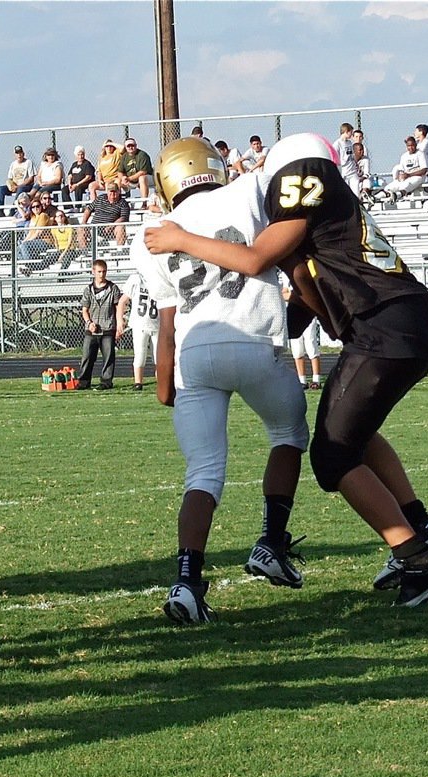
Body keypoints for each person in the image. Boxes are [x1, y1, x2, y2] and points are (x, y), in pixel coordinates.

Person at [144, 132, 428, 608]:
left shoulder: (304, 183)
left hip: (385, 326)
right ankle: (419, 527)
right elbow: (306, 290)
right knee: (351, 431)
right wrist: (271, 322)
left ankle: (417, 557)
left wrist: (181, 238)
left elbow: (253, 259)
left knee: (332, 456)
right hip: (395, 322)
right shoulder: (319, 220)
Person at [133, 138, 309, 624]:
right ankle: (272, 541)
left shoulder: (153, 230)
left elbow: (166, 322)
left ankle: (187, 582)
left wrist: (163, 383)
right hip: (255, 336)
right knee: (289, 435)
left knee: (204, 474)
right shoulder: (250, 189)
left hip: (195, 352)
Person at [78, 258, 123, 390]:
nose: (101, 274)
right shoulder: (88, 289)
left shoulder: (113, 288)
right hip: (92, 329)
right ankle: (84, 381)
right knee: (87, 356)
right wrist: (89, 323)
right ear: (93, 272)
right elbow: (84, 310)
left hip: (107, 327)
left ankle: (106, 381)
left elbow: (117, 307)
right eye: (99, 272)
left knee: (108, 357)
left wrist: (119, 323)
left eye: (104, 272)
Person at [116, 269, 159, 391]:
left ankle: (161, 382)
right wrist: (120, 320)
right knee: (140, 355)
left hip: (157, 323)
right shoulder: (136, 279)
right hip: (140, 323)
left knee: (159, 357)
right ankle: (138, 383)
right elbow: (122, 301)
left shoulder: (160, 277)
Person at [281, 274, 321, 389]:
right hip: (293, 310)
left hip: (306, 310)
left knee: (311, 343)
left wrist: (290, 296)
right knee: (297, 348)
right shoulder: (284, 275)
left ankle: (316, 379)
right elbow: (285, 292)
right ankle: (302, 379)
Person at [79, 181, 131, 249]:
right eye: (111, 191)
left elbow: (123, 218)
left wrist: (111, 226)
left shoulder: (123, 203)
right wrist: (84, 222)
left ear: (118, 191)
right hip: (94, 228)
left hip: (111, 230)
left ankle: (120, 250)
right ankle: (83, 251)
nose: (113, 193)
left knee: (120, 227)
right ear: (107, 191)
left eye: (115, 191)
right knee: (81, 228)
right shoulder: (100, 198)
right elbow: (88, 209)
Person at [381, 136, 428, 200]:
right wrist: (401, 176)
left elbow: (424, 170)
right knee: (388, 187)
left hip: (418, 177)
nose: (410, 148)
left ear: (416, 144)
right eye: (408, 146)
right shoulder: (404, 156)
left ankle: (397, 195)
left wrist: (409, 175)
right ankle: (374, 198)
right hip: (406, 177)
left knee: (406, 185)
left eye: (412, 145)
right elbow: (402, 170)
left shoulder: (420, 154)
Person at [0, 145, 36, 216]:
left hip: (26, 186)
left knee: (20, 188)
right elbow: (10, 178)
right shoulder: (13, 164)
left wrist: (19, 186)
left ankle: (14, 208)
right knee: (0, 189)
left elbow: (31, 178)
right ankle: (0, 211)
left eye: (20, 153)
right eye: (17, 153)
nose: (19, 155)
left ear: (23, 154)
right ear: (15, 155)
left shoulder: (28, 162)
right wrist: (11, 185)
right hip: (15, 185)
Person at [336, 122, 359, 196]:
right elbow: (336, 158)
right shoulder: (337, 144)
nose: (351, 135)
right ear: (346, 132)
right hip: (344, 172)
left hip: (352, 171)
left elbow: (352, 155)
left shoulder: (349, 143)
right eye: (350, 132)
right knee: (345, 193)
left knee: (356, 192)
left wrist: (356, 164)